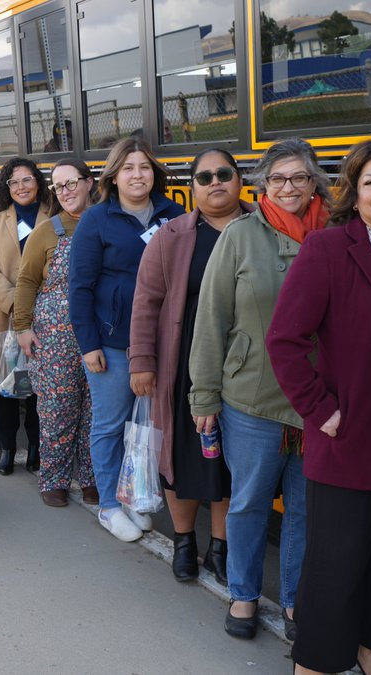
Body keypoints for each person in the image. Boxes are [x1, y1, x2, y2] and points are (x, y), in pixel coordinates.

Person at [267, 138, 371, 675]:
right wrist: (321, 410)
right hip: (350, 437)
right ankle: (313, 665)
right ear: (353, 194)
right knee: (336, 567)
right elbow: (284, 340)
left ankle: (369, 649)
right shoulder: (329, 249)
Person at [189, 137, 329, 640]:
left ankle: (294, 602)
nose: (289, 188)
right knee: (248, 503)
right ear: (262, 184)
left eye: (299, 177)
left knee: (306, 508)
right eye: (278, 178)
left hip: (319, 401)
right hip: (251, 398)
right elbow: (211, 320)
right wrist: (202, 397)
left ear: (315, 182)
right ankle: (243, 595)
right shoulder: (240, 236)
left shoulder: (337, 231)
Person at [129, 148, 250, 583]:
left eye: (224, 174)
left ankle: (221, 547)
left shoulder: (261, 228)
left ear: (239, 179)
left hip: (244, 369)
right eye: (204, 177)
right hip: (181, 366)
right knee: (181, 457)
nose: (215, 182)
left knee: (227, 461)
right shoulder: (172, 236)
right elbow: (146, 303)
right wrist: (142, 362)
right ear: (192, 186)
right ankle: (185, 541)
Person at [68, 137, 186, 542]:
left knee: (150, 425)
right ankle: (109, 506)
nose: (138, 175)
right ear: (114, 176)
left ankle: (136, 494)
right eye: (129, 168)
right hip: (113, 344)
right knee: (110, 425)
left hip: (163, 343)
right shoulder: (96, 219)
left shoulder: (175, 215)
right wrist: (89, 345)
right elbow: (79, 288)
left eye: (145, 167)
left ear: (155, 174)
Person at [14, 159, 99, 508]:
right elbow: (27, 280)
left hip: (99, 332)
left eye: (72, 183)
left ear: (89, 183)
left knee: (97, 411)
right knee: (57, 410)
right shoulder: (47, 231)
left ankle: (94, 478)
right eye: (58, 186)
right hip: (54, 336)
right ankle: (55, 478)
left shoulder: (106, 221)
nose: (65, 192)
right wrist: (22, 327)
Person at [0, 157, 49, 475]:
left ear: (38, 182)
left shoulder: (54, 218)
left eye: (28, 180)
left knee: (38, 389)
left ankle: (36, 446)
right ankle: (7, 447)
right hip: (4, 317)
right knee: (5, 387)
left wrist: (35, 303)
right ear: (7, 187)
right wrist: (15, 302)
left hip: (46, 317)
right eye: (14, 182)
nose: (21, 187)